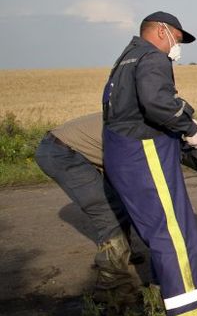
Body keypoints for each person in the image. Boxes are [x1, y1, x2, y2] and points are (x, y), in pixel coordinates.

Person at [102, 11, 197, 316]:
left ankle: (165, 296)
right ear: (161, 31)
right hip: (144, 153)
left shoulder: (126, 57)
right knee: (176, 237)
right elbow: (155, 102)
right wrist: (188, 128)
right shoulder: (152, 57)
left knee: (156, 233)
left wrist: (185, 117)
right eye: (177, 40)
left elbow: (137, 105)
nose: (177, 48)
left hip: (123, 154)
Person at [34, 112, 141, 305]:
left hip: (67, 148)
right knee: (109, 212)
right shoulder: (134, 129)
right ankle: (112, 290)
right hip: (62, 153)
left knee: (118, 200)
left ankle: (122, 254)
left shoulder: (134, 117)